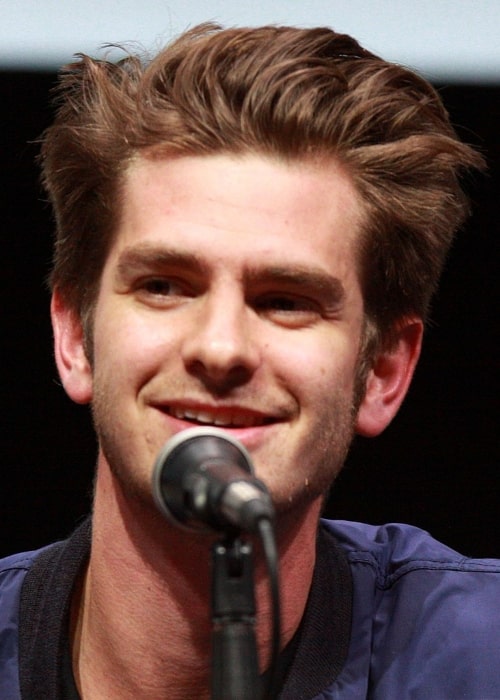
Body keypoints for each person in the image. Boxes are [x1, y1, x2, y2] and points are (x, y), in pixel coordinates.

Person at [0, 22, 498, 700]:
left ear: (383, 371)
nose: (221, 348)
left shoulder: (478, 657)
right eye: (165, 286)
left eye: (285, 300)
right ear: (75, 338)